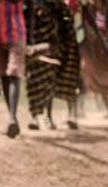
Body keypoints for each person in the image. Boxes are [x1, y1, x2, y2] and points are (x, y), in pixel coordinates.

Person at [25, 0, 80, 129]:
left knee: (56, 77)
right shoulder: (28, 7)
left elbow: (66, 29)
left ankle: (61, 115)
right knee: (34, 81)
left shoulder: (59, 8)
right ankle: (36, 117)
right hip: (32, 45)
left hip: (55, 45)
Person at [0, 0, 27, 137]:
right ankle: (12, 116)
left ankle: (12, 117)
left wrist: (32, 38)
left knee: (13, 73)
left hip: (16, 33)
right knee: (4, 76)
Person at [80, 0, 108, 116]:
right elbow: (86, 26)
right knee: (85, 72)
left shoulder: (106, 7)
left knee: (104, 74)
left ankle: (107, 107)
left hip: (103, 47)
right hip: (89, 45)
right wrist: (95, 39)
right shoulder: (87, 8)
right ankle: (80, 107)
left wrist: (106, 41)